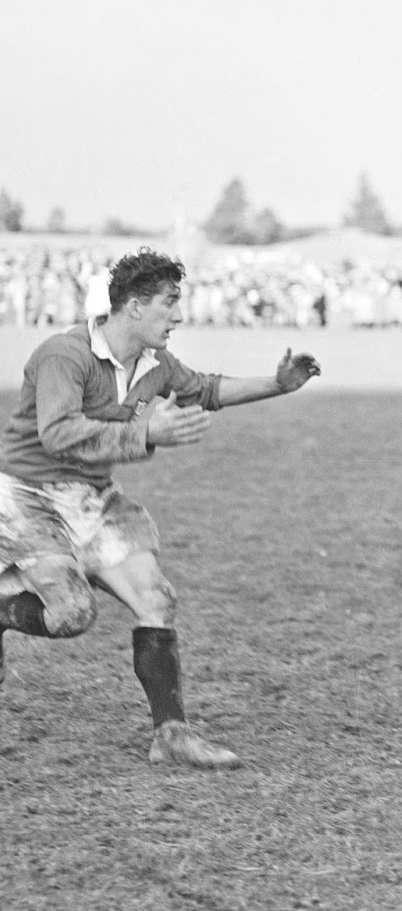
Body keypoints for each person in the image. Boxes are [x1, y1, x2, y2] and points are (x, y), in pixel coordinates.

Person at [0, 248, 321, 769]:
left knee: (157, 598)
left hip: (91, 498)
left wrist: (278, 384)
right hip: (28, 495)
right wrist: (145, 430)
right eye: (169, 304)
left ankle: (171, 735)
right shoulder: (66, 354)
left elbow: (206, 390)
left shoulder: (154, 364)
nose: (178, 315)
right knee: (72, 613)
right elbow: (56, 434)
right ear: (132, 306)